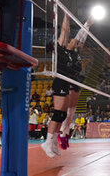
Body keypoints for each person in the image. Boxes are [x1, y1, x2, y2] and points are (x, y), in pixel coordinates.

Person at [58, 15, 94, 150]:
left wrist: (88, 26)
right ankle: (62, 133)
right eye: (72, 41)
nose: (75, 42)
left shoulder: (77, 51)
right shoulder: (66, 50)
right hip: (68, 79)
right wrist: (87, 23)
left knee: (72, 111)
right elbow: (78, 37)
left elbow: (82, 39)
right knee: (68, 111)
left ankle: (65, 133)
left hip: (77, 79)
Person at [41, 13, 72, 158]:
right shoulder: (57, 50)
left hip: (65, 82)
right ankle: (46, 142)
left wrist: (68, 17)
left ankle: (53, 141)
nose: (59, 40)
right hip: (59, 81)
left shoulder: (64, 50)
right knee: (58, 113)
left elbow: (67, 32)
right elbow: (64, 32)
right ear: (53, 46)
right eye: (56, 41)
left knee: (63, 114)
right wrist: (65, 16)